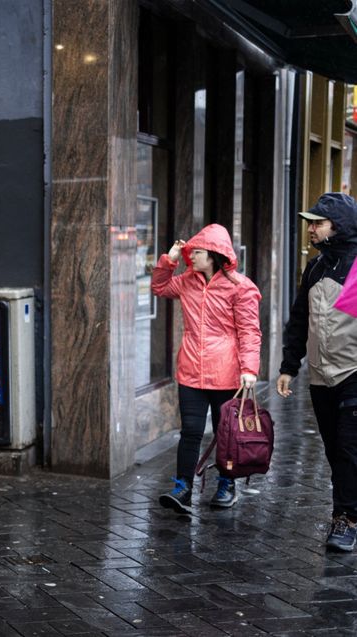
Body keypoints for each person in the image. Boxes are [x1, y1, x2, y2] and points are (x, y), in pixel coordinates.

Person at [151, 224, 261, 514]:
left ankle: (227, 484)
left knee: (226, 434)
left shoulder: (240, 287)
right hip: (190, 370)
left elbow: (250, 331)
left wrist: (249, 368)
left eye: (196, 252)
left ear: (213, 255)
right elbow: (159, 287)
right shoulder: (187, 281)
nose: (191, 257)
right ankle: (183, 487)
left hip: (226, 372)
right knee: (190, 432)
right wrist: (169, 259)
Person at [277, 192, 357, 552]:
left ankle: (346, 519)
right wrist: (288, 367)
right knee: (333, 449)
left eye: (317, 223)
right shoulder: (316, 267)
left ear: (337, 226)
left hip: (353, 372)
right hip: (320, 375)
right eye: (310, 223)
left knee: (346, 446)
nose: (310, 229)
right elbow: (300, 319)